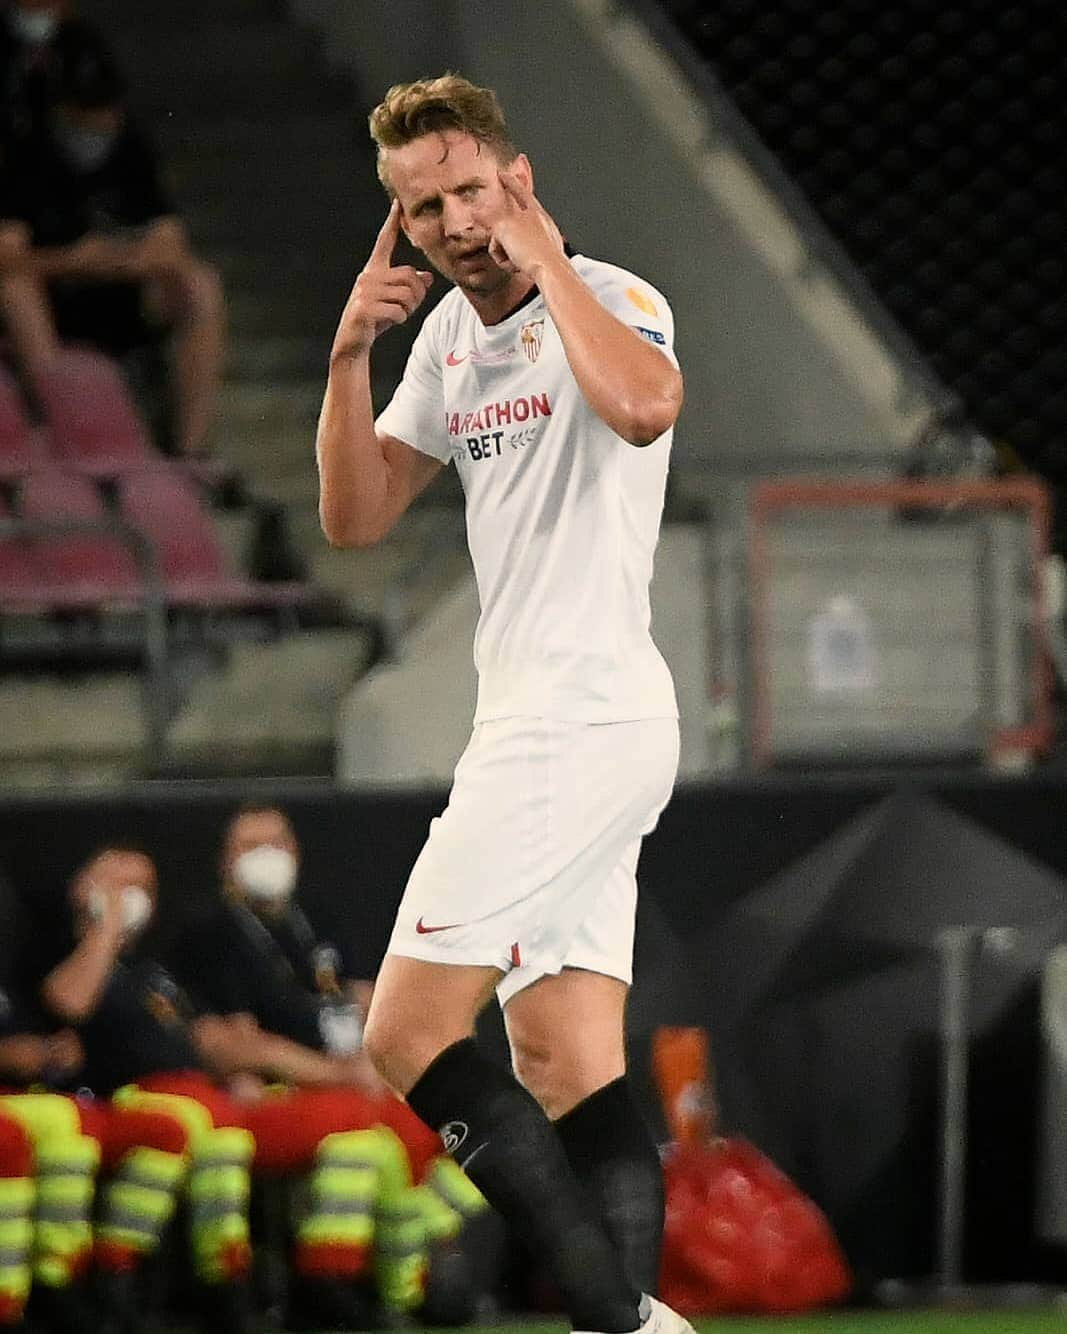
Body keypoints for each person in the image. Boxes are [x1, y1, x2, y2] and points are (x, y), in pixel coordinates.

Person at [317, 72, 686, 1334]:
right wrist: (349, 353)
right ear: (403, 228)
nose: (451, 221)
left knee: (405, 1027)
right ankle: (627, 1319)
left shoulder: (617, 299)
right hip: (548, 721)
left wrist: (546, 258)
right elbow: (356, 515)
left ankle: (625, 1325)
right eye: (422, 209)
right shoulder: (445, 343)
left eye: (468, 189)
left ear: (514, 180)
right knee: (564, 1060)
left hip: (575, 721)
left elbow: (642, 408)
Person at [41, 842, 478, 1329]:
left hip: (206, 1099)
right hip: (122, 1100)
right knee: (213, 1126)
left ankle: (372, 1281)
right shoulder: (62, 949)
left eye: (141, 886)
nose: (132, 897)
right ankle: (113, 1275)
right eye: (117, 883)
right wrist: (103, 928)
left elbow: (209, 1036)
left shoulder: (154, 970)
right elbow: (68, 1003)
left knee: (388, 1133)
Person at [1, 49, 224, 456]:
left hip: (123, 291)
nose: (97, 122)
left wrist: (119, 259)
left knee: (199, 283)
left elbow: (170, 242)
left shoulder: (130, 149)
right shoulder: (28, 157)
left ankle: (189, 446)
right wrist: (74, 261)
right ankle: (66, 424)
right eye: (85, 111)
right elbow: (9, 255)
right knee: (14, 289)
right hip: (56, 297)